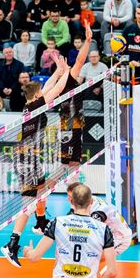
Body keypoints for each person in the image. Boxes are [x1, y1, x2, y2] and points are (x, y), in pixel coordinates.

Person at [1, 60, 73, 267]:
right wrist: (67, 73)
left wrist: (58, 70)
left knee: (42, 189)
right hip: (26, 160)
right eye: (40, 92)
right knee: (28, 203)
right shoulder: (35, 105)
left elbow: (49, 86)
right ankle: (11, 244)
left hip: (31, 157)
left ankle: (41, 223)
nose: (43, 93)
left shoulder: (31, 103)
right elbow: (56, 89)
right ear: (36, 96)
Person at [23, 183, 118, 278]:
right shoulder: (103, 229)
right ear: (91, 202)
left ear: (71, 201)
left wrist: (27, 251)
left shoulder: (58, 223)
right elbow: (112, 272)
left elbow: (34, 257)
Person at [65, 182, 130, 278]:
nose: (69, 200)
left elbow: (91, 232)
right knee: (84, 260)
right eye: (68, 197)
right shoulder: (82, 199)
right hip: (108, 236)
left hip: (119, 239)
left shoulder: (98, 212)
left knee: (88, 261)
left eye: (71, 197)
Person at [56, 23, 93, 172]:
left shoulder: (65, 81)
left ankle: (73, 184)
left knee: (75, 161)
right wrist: (88, 41)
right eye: (64, 65)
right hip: (69, 125)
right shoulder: (65, 81)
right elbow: (79, 61)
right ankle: (65, 183)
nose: (68, 66)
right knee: (67, 161)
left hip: (76, 123)